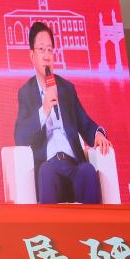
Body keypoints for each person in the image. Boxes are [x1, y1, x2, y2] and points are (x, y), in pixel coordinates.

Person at [14, 21, 112, 204]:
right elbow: (20, 136)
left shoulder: (67, 89)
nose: (46, 56)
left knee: (88, 171)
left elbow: (84, 122)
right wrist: (44, 109)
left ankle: (95, 222)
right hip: (48, 166)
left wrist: (98, 133)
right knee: (46, 172)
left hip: (73, 164)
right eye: (41, 49)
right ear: (32, 55)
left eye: (50, 50)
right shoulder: (26, 93)